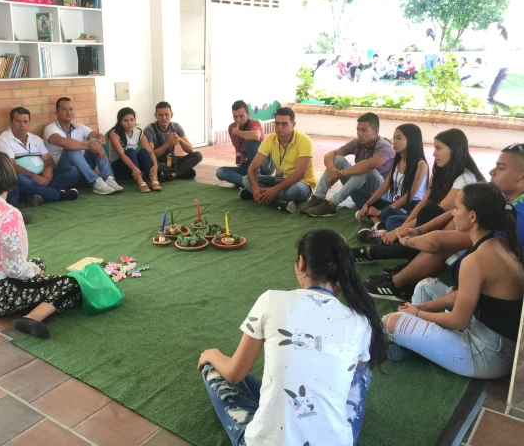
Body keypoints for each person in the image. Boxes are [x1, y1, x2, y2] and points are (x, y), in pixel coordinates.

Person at [198, 228, 386, 446]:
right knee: (361, 373)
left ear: (302, 263)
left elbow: (233, 374)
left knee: (212, 370)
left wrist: (212, 353)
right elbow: (357, 367)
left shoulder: (271, 301)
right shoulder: (360, 322)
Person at [383, 183, 523, 379]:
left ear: (472, 216)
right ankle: (410, 344)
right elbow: (464, 294)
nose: (452, 213)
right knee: (426, 285)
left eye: (457, 208)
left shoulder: (475, 260)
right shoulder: (499, 243)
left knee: (389, 322)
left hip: (487, 354)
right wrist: (423, 308)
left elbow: (458, 321)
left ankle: (405, 342)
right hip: (490, 338)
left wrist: (418, 313)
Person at [363, 143, 524, 302]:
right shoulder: (501, 198)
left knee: (438, 240)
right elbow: (448, 212)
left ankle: (393, 278)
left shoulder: (516, 215)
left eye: (501, 168)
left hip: (476, 274)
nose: (491, 172)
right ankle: (397, 268)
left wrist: (409, 239)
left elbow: (441, 238)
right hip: (454, 247)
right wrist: (419, 230)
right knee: (427, 215)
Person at [0, 151, 81, 339]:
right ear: (9, 175)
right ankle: (31, 318)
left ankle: (33, 295)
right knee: (71, 283)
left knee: (37, 263)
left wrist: (33, 270)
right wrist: (33, 273)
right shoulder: (9, 213)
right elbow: (14, 269)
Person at [354, 128, 485, 300]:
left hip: (442, 233)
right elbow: (424, 201)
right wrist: (402, 229)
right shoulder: (440, 171)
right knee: (399, 219)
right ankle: (387, 250)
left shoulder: (464, 179)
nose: (434, 153)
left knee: (414, 216)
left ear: (455, 150)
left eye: (439, 148)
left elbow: (437, 214)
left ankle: (375, 253)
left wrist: (401, 231)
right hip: (429, 226)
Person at [302, 112, 395, 218]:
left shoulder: (384, 146)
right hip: (359, 188)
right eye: (358, 130)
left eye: (364, 130)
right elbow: (330, 154)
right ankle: (318, 197)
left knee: (366, 168)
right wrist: (333, 170)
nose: (359, 134)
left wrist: (341, 173)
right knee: (337, 159)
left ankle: (331, 205)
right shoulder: (357, 143)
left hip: (381, 193)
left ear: (375, 131)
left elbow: (370, 165)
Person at [353, 124, 429, 237]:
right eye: (394, 138)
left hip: (410, 208)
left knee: (390, 217)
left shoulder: (421, 165)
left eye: (399, 138)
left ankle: (380, 221)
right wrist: (368, 204)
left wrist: (381, 211)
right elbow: (385, 186)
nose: (394, 142)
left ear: (412, 140)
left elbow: (409, 196)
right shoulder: (397, 162)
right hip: (395, 204)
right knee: (356, 193)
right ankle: (378, 223)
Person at [0, 107, 79, 206]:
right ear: (11, 122)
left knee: (72, 171)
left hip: (43, 177)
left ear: (29, 123)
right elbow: (11, 166)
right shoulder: (3, 140)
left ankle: (37, 194)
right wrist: (34, 176)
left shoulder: (35, 139)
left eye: (25, 121)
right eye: (18, 121)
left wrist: (48, 172)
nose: (22, 125)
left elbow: (48, 160)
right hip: (24, 178)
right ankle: (59, 195)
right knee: (20, 179)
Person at [241, 107, 316, 214]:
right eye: (277, 123)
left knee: (293, 191)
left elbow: (299, 174)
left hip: (302, 183)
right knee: (246, 180)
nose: (279, 127)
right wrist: (255, 187)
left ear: (293, 125)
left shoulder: (304, 141)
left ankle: (258, 195)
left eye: (284, 124)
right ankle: (279, 204)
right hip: (280, 180)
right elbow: (252, 168)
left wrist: (274, 190)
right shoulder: (271, 139)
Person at [43, 97, 122, 194]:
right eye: (64, 109)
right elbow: (63, 142)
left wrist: (98, 143)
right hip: (65, 170)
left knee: (94, 140)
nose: (69, 112)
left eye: (71, 109)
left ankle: (109, 177)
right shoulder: (50, 128)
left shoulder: (79, 126)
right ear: (57, 112)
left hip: (83, 167)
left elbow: (101, 137)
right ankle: (95, 181)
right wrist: (89, 146)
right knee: (71, 147)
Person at [216, 100, 273, 187]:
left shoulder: (254, 123)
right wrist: (239, 163)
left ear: (248, 114)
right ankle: (249, 182)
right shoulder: (232, 127)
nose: (238, 120)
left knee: (249, 140)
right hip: (249, 165)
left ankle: (254, 179)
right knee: (220, 172)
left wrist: (238, 132)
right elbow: (237, 148)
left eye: (241, 116)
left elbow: (256, 135)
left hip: (265, 164)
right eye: (235, 116)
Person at [143, 101, 203, 182]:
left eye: (166, 114)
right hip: (158, 162)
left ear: (171, 114)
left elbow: (190, 150)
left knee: (198, 155)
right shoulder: (149, 130)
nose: (164, 118)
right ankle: (179, 172)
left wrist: (179, 139)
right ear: (156, 115)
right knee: (152, 164)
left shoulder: (176, 126)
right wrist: (168, 144)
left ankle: (172, 174)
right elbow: (151, 156)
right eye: (160, 115)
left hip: (172, 160)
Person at [108, 107, 161, 193]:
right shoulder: (114, 133)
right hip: (118, 168)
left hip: (133, 168)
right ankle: (140, 181)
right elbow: (121, 154)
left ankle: (153, 178)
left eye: (132, 119)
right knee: (130, 151)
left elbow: (150, 151)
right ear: (120, 122)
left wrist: (155, 165)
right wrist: (134, 168)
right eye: (126, 121)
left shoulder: (139, 132)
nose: (130, 123)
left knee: (143, 151)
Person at [486, 23, 510, 109]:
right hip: (501, 72)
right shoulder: (501, 40)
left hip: (500, 71)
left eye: (491, 29)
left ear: (499, 31)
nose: (488, 31)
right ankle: (496, 113)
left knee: (489, 99)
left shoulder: (499, 41)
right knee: (489, 99)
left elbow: (496, 60)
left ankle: (510, 110)